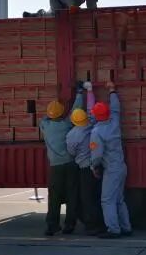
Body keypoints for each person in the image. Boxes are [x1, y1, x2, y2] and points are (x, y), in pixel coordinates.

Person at [39, 84, 84, 235]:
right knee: (72, 194)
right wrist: (79, 93)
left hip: (56, 166)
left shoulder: (45, 125)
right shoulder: (67, 125)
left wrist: (53, 109)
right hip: (70, 164)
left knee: (54, 196)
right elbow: (75, 111)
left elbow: (45, 117)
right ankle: (69, 225)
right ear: (62, 113)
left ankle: (52, 225)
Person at [90, 80, 132, 238]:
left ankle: (113, 229)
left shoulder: (97, 133)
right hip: (121, 166)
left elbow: (96, 155)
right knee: (119, 199)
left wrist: (94, 167)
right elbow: (115, 107)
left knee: (107, 200)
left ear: (96, 116)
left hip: (111, 170)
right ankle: (126, 227)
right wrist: (112, 90)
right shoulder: (114, 121)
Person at [65, 81, 105, 235]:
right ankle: (102, 222)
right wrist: (89, 91)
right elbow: (90, 108)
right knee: (97, 195)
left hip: (84, 169)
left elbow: (71, 152)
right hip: (97, 165)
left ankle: (91, 225)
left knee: (86, 198)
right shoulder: (92, 123)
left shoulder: (72, 135)